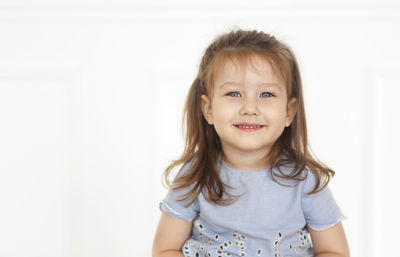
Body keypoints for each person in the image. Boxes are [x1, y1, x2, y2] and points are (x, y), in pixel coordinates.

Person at [152, 29, 350, 257]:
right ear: (208, 109)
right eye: (234, 93)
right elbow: (165, 249)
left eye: (266, 94)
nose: (249, 108)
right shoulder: (196, 176)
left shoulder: (304, 181)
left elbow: (334, 252)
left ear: (289, 111)